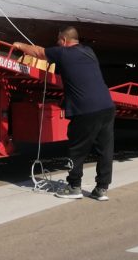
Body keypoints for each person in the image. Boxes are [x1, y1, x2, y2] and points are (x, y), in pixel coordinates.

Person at [13, 26, 114, 201]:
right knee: (105, 150)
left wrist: (19, 45)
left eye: (58, 40)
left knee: (77, 150)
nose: (57, 43)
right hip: (107, 106)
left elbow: (38, 52)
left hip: (85, 110)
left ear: (64, 40)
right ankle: (102, 189)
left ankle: (74, 186)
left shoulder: (62, 53)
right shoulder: (89, 51)